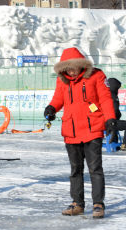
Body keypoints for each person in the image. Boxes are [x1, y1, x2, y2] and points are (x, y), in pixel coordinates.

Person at [44, 47, 117, 218]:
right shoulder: (62, 80)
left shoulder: (97, 76)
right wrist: (52, 108)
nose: (70, 70)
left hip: (93, 129)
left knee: (95, 168)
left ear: (80, 64)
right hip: (71, 130)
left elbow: (105, 99)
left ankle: (98, 204)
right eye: (66, 67)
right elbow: (58, 98)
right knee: (75, 169)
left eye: (73, 66)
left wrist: (110, 119)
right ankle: (77, 203)